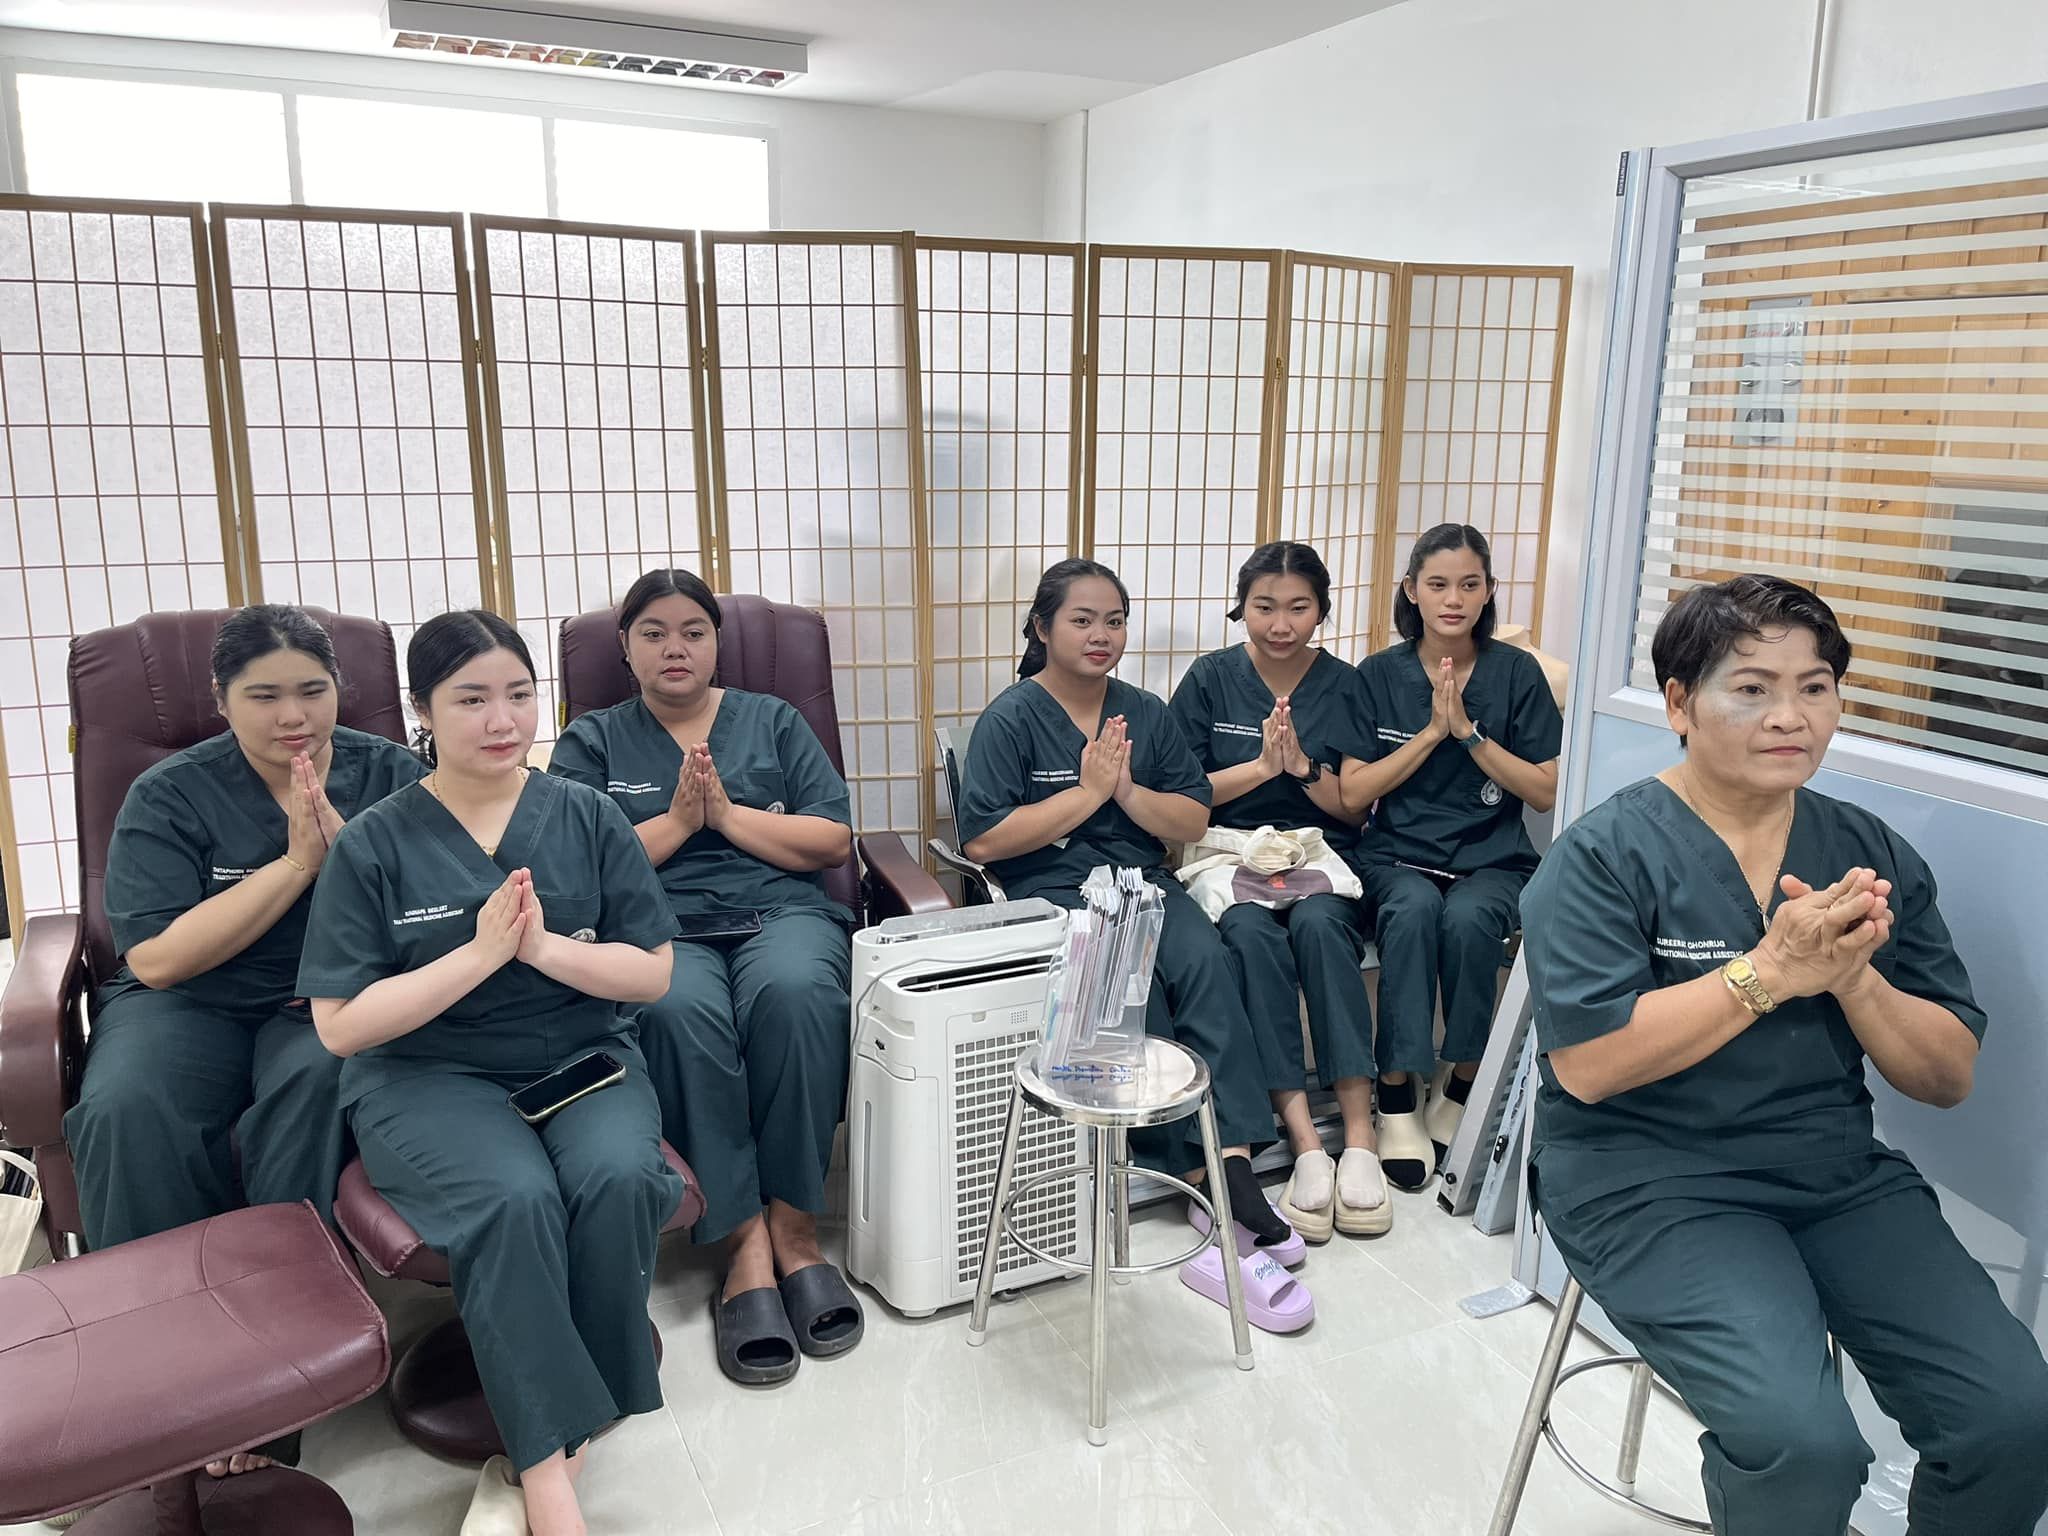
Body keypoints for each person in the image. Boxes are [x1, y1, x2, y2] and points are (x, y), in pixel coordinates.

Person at [1522, 575, 2048, 1536]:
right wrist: (1766, 972)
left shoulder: (1865, 853)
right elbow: (1590, 1066)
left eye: (1815, 688)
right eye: (1752, 688)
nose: (1790, 717)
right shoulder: (1605, 855)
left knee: (2014, 1417)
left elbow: (1945, 1076)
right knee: (1801, 1444)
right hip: (1643, 1176)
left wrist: (1854, 981)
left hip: (1832, 1171)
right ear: (1679, 704)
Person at [300, 610, 680, 1536]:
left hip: (581, 1057)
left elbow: (652, 973)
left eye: (519, 693)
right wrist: (476, 958)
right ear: (422, 710)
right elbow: (340, 1025)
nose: (502, 719)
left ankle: (565, 1423)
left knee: (621, 1176)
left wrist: (544, 951)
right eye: (471, 699)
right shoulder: (375, 842)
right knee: (512, 1200)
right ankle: (547, 1473)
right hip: (428, 1073)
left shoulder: (586, 815)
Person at [64, 603, 424, 1477]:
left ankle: (280, 1367)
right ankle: (159, 1366)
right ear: (221, 700)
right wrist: (296, 865)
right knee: (125, 1106)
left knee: (314, 1087)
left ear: (340, 689)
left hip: (324, 998)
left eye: (312, 690)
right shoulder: (171, 792)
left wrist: (353, 860)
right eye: (264, 696)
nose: (293, 716)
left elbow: (428, 917)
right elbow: (156, 957)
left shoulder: (393, 776)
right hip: (186, 1000)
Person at [956, 558, 1311, 1333]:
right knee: (1132, 977)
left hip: (1143, 879)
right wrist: (1085, 795)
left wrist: (1122, 791)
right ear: (1043, 627)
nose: (1101, 635)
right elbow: (983, 840)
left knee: (1207, 963)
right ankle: (1195, 1173)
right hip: (1053, 891)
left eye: (1114, 621)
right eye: (1082, 620)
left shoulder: (1144, 712)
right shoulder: (1011, 718)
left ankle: (1234, 1161)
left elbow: (1190, 820)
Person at [549, 569, 863, 1389]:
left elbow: (832, 840)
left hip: (780, 914)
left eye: (693, 630)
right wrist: (681, 821)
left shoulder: (773, 720)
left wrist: (725, 817)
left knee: (797, 997)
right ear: (625, 648)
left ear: (717, 642)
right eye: (653, 633)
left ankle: (796, 1230)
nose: (675, 647)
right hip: (659, 928)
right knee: (677, 1010)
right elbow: (579, 868)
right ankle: (741, 1241)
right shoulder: (593, 740)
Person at [1168, 541, 1388, 1240]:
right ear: (1242, 608)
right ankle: (1305, 1142)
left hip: (1320, 850)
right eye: (1265, 606)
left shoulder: (1347, 684)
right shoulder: (1210, 679)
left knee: (1323, 929)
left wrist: (1301, 768)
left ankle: (1360, 1138)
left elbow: (1354, 804)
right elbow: (1182, 796)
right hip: (1228, 853)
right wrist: (1263, 768)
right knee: (1248, 937)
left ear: (1321, 610)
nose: (1281, 623)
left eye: (1299, 607)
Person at [1350, 524, 1561, 1189]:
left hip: (1491, 856)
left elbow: (1545, 790)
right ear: (1411, 590)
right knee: (1411, 913)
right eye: (1438, 584)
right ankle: (1396, 1094)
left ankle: (1461, 1078)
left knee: (1471, 920)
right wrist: (1430, 734)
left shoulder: (1516, 674)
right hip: (1396, 856)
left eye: (1470, 585)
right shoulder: (1378, 675)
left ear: (1489, 591)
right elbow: (1353, 792)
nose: (1453, 599)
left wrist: (1468, 735)